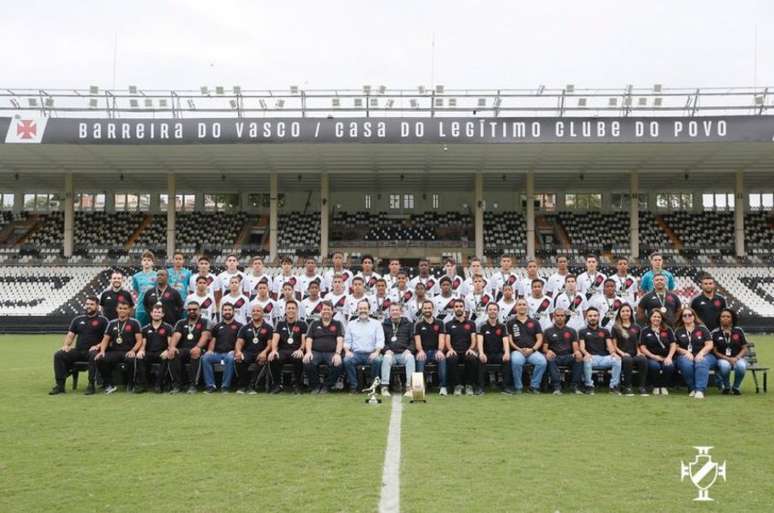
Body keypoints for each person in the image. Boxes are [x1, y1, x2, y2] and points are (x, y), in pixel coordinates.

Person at [49, 296, 108, 395]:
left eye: (91, 304)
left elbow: (108, 338)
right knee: (59, 355)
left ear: (97, 306)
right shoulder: (77, 319)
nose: (88, 306)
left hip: (93, 351)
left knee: (94, 355)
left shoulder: (103, 320)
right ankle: (60, 386)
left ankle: (91, 385)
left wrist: (98, 346)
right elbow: (71, 335)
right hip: (79, 350)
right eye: (87, 304)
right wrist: (66, 345)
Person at [93, 302, 143, 394]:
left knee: (131, 360)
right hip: (115, 351)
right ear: (117, 309)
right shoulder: (112, 323)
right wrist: (102, 351)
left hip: (128, 351)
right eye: (120, 308)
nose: (122, 310)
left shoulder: (134, 322)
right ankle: (109, 384)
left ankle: (131, 384)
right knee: (100, 359)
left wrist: (133, 351)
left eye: (125, 308)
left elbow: (139, 340)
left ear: (129, 310)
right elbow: (105, 339)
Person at [505, 298, 547, 394]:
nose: (522, 306)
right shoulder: (510, 322)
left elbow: (540, 339)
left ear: (527, 307)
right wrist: (519, 349)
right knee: (516, 362)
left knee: (542, 362)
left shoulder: (535, 322)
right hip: (517, 351)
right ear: (516, 307)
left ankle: (534, 386)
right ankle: (518, 387)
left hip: (532, 351)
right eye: (519, 305)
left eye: (524, 304)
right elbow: (510, 340)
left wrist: (532, 349)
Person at [168, 301, 211, 393]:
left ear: (200, 311)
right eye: (189, 309)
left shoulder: (205, 322)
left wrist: (198, 347)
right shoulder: (181, 322)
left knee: (196, 353)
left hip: (199, 348)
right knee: (173, 353)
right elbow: (176, 336)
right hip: (184, 349)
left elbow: (205, 336)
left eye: (194, 309)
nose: (192, 311)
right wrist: (171, 347)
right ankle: (177, 385)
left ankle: (193, 385)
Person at [343, 300, 385, 393]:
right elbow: (347, 341)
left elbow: (380, 341)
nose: (363, 310)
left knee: (377, 360)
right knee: (347, 360)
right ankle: (354, 386)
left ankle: (374, 386)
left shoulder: (376, 324)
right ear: (357, 310)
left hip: (371, 353)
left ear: (369, 310)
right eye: (360, 308)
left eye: (365, 308)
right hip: (356, 354)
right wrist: (347, 351)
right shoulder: (351, 324)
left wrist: (376, 352)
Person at [303, 301, 345, 394]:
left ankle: (327, 386)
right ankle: (316, 386)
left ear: (332, 311)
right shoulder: (314, 323)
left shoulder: (338, 324)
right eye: (324, 309)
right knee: (307, 361)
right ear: (320, 311)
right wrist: (308, 352)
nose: (326, 311)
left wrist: (338, 354)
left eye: (328, 309)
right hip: (315, 352)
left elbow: (340, 340)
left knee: (338, 364)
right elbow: (309, 339)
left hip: (332, 353)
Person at [578, 307, 622, 394]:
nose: (593, 318)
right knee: (586, 360)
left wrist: (613, 353)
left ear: (599, 317)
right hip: (591, 358)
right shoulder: (582, 331)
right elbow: (582, 347)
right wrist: (586, 354)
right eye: (590, 316)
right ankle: (589, 386)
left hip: (604, 358)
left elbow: (609, 345)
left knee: (617, 360)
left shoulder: (605, 331)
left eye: (595, 315)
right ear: (586, 317)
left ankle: (614, 386)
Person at [674, 306, 715, 399]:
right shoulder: (678, 330)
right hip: (685, 355)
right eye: (684, 315)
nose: (687, 317)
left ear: (694, 316)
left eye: (690, 315)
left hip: (705, 354)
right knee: (686, 364)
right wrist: (685, 352)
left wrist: (701, 353)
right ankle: (693, 388)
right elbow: (675, 347)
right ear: (681, 318)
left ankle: (700, 390)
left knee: (701, 362)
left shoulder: (702, 328)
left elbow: (709, 344)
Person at [201, 303, 242, 393]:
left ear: (233, 312)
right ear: (222, 312)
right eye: (225, 310)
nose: (227, 312)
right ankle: (210, 386)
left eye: (229, 310)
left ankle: (225, 387)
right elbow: (213, 340)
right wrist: (210, 350)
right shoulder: (217, 326)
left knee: (230, 358)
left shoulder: (239, 326)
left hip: (230, 354)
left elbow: (240, 342)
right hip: (217, 354)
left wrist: (235, 351)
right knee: (205, 358)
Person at [268, 300, 307, 394]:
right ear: (285, 310)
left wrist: (301, 350)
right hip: (283, 351)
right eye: (289, 308)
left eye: (293, 308)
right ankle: (277, 385)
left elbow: (304, 341)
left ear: (297, 310)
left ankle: (297, 385)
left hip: (296, 350)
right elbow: (275, 339)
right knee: (273, 357)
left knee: (299, 357)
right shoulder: (280, 324)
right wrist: (273, 350)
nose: (291, 310)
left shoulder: (302, 324)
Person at [542, 308, 583, 395]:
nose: (560, 317)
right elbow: (544, 348)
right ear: (554, 317)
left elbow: (575, 347)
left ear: (565, 317)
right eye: (557, 316)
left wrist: (577, 352)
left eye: (562, 316)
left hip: (568, 356)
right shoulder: (548, 331)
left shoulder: (572, 331)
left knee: (579, 358)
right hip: (555, 357)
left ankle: (575, 386)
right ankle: (557, 387)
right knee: (549, 358)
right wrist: (548, 351)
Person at [234, 305, 273, 394]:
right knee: (238, 359)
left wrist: (264, 352)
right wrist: (239, 352)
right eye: (254, 311)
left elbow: (270, 344)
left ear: (263, 314)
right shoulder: (245, 327)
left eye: (258, 311)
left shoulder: (268, 328)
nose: (255, 312)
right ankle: (242, 386)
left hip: (261, 352)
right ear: (251, 313)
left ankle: (252, 386)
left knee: (262, 360)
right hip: (248, 352)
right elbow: (239, 342)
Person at [610, 304, 648, 396]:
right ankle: (627, 387)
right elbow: (614, 346)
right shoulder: (615, 328)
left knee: (643, 359)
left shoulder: (637, 327)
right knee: (628, 360)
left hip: (634, 353)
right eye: (623, 311)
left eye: (627, 311)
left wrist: (639, 352)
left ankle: (641, 387)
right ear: (619, 313)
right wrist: (622, 354)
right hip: (622, 354)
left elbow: (638, 344)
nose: (625, 313)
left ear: (631, 313)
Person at [444, 299, 480, 395]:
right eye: (456, 306)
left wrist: (471, 349)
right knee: (451, 359)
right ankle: (457, 386)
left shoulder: (471, 323)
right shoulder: (448, 324)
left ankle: (469, 385)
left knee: (472, 358)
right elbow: (447, 339)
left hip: (467, 350)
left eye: (460, 306)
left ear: (464, 308)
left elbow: (474, 339)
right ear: (453, 309)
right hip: (455, 351)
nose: (458, 308)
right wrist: (450, 349)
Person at [638, 309, 677, 396]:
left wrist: (669, 357)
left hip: (666, 357)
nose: (657, 318)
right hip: (652, 357)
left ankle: (663, 386)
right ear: (650, 318)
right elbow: (642, 347)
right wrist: (653, 356)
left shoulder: (668, 329)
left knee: (669, 366)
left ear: (661, 318)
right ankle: (656, 386)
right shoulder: (645, 331)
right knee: (654, 366)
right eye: (654, 316)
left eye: (659, 317)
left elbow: (673, 344)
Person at [380, 303, 416, 397]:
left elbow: (413, 340)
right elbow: (381, 340)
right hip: (391, 354)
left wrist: (409, 349)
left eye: (397, 310)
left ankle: (409, 387)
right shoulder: (384, 325)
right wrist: (386, 349)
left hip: (404, 353)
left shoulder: (409, 324)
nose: (395, 312)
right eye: (393, 310)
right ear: (389, 312)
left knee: (410, 357)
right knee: (386, 358)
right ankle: (384, 387)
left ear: (401, 311)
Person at [138, 304, 175, 393]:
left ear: (163, 315)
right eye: (155, 312)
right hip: (149, 352)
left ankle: (158, 385)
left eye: (159, 312)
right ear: (151, 314)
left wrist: (167, 351)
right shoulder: (145, 328)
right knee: (140, 358)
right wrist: (141, 350)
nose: (157, 314)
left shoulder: (168, 327)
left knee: (165, 358)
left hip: (162, 352)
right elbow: (143, 343)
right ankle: (143, 385)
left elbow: (170, 343)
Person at [414, 300, 448, 395]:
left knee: (442, 358)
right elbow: (417, 341)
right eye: (425, 308)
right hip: (423, 351)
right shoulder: (418, 324)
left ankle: (443, 387)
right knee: (419, 359)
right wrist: (420, 351)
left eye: (429, 308)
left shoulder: (440, 323)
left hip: (436, 351)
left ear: (433, 309)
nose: (427, 310)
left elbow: (442, 339)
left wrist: (440, 351)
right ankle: (420, 389)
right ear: (422, 310)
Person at [712, 308, 749, 395]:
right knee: (725, 366)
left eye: (728, 316)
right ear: (719, 318)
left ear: (732, 318)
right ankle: (727, 386)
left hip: (738, 358)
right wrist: (727, 359)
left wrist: (736, 358)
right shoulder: (715, 333)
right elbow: (715, 351)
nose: (725, 318)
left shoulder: (738, 331)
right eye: (723, 316)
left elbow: (745, 348)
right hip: (722, 359)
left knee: (741, 366)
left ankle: (736, 387)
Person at [477, 302, 510, 395]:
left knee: (507, 360)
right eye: (490, 309)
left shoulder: (503, 326)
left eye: (495, 309)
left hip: (498, 353)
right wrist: (481, 353)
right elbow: (480, 341)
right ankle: (481, 388)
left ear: (498, 311)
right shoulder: (482, 325)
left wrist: (507, 353)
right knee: (480, 359)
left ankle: (505, 387)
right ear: (487, 311)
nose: (492, 311)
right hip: (486, 353)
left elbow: (505, 341)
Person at [131, 250, 158, 326]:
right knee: (140, 331)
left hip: (153, 309)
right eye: (144, 260)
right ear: (141, 262)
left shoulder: (157, 276)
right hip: (140, 308)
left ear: (152, 262)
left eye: (149, 260)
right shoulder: (136, 276)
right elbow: (136, 291)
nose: (146, 262)